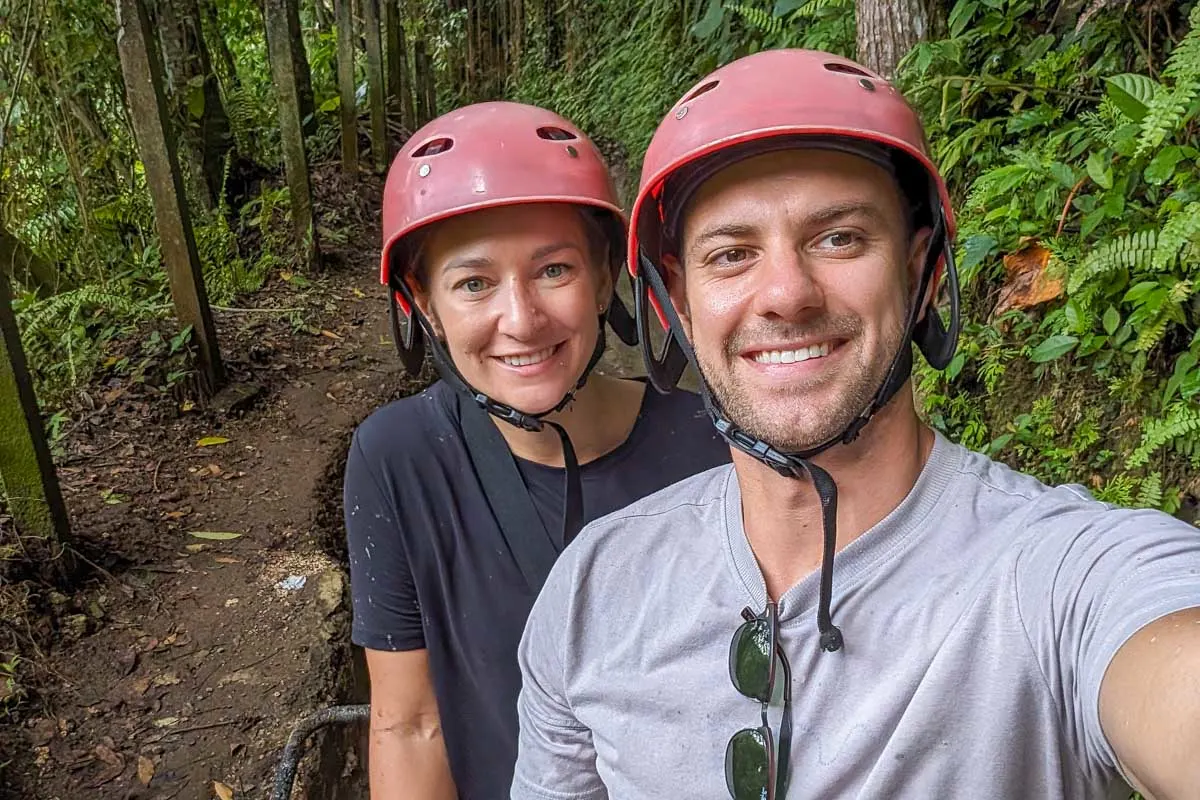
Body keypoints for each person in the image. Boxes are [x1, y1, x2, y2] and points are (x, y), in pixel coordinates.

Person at [513, 50, 1200, 800]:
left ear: (924, 270)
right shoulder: (593, 590)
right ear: (676, 303)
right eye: (732, 254)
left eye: (839, 238)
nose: (785, 294)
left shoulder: (1056, 574)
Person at [344, 101, 728, 800]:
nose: (520, 320)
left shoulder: (715, 445)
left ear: (605, 276)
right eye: (473, 284)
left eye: (554, 270)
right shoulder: (399, 458)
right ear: (424, 306)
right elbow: (409, 723)